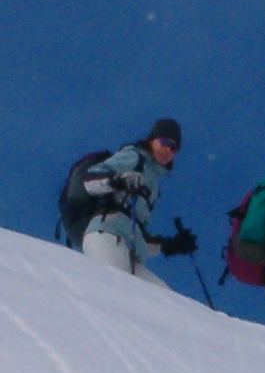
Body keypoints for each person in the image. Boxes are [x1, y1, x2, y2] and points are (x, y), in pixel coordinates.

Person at [80, 118, 197, 288]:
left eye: (174, 148)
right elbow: (88, 181)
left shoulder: (153, 184)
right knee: (115, 288)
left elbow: (136, 228)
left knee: (164, 298)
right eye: (164, 142)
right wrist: (118, 180)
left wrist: (171, 246)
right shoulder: (134, 157)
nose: (168, 150)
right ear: (152, 140)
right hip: (106, 236)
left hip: (129, 249)